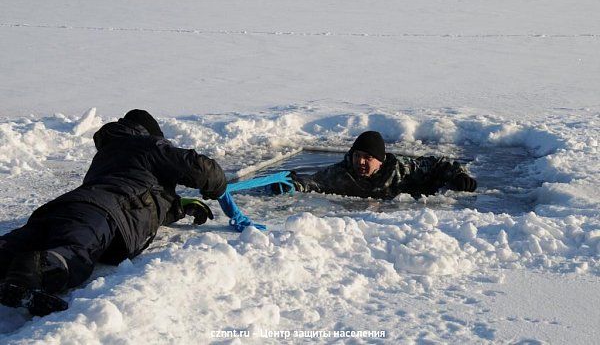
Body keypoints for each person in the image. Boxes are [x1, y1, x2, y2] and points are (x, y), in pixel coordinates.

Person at [0, 109, 226, 316]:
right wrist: (218, 184)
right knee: (74, 252)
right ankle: (32, 273)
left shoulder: (107, 154)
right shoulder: (149, 145)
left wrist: (178, 207)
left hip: (65, 208)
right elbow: (197, 167)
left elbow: (139, 196)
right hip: (102, 214)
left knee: (23, 240)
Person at [274, 131, 477, 200]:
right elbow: (313, 181)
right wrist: (291, 184)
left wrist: (458, 175)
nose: (360, 162)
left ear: (379, 160)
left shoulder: (400, 168)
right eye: (357, 156)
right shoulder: (342, 173)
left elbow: (437, 164)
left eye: (367, 158)